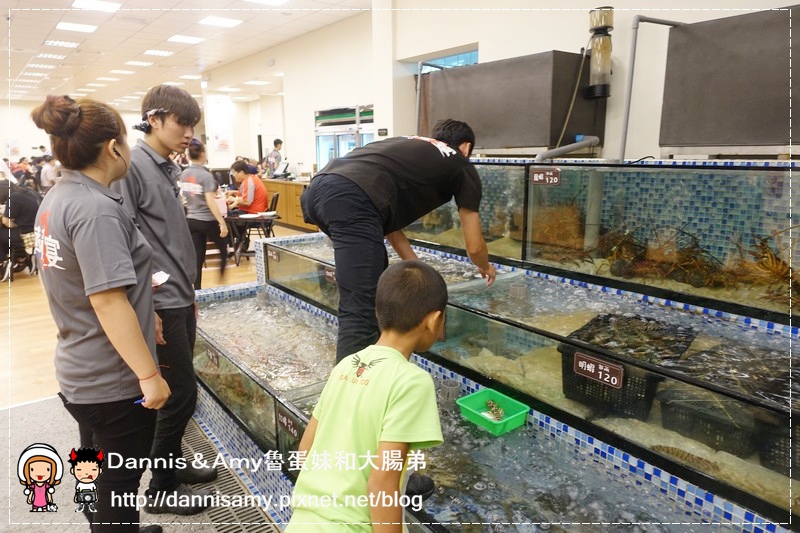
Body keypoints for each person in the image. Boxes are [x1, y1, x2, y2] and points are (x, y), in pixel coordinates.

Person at [31, 94, 170, 533]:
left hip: (78, 367)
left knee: (96, 466)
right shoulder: (96, 211)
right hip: (112, 379)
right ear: (113, 147)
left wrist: (148, 314)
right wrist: (150, 375)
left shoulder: (57, 198)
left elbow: (81, 279)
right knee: (119, 484)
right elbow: (106, 301)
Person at [300, 119, 497, 361]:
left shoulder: (411, 143)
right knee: (361, 308)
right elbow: (475, 247)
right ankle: (350, 392)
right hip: (352, 200)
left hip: (319, 189)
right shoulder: (461, 164)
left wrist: (420, 272)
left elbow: (389, 228)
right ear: (466, 147)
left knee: (375, 287)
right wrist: (485, 266)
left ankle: (377, 368)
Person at [112, 84, 216, 515]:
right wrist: (149, 302)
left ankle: (169, 470)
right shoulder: (134, 167)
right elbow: (126, 238)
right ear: (153, 119)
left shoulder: (167, 167)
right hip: (161, 299)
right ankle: (160, 488)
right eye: (181, 123)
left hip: (179, 294)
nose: (188, 132)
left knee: (181, 390)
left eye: (193, 125)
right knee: (179, 393)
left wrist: (187, 290)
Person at [286, 260, 445, 532]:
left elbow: (304, 453)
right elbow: (382, 482)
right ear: (434, 320)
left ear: (377, 312)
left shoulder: (346, 365)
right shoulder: (412, 381)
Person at [178, 138, 228, 289]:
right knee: (224, 250)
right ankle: (221, 282)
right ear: (202, 154)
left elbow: (183, 197)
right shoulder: (206, 176)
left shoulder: (184, 174)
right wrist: (222, 222)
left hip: (191, 220)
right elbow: (210, 201)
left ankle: (197, 289)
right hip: (207, 220)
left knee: (197, 258)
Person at [0, 180, 41, 281]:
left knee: (3, 233)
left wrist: (11, 223)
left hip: (24, 233)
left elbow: (6, 222)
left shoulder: (13, 198)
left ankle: (3, 263)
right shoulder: (30, 192)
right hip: (37, 230)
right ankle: (22, 258)